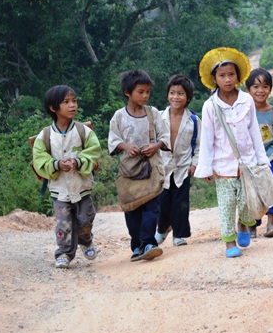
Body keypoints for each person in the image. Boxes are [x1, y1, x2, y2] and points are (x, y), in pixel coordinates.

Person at [193, 47, 269, 258]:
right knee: (226, 206)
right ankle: (229, 243)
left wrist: (261, 159)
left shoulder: (247, 101)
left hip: (248, 163)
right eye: (222, 75)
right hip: (222, 165)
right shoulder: (210, 106)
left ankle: (244, 224)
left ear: (238, 76)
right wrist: (206, 167)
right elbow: (207, 139)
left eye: (231, 74)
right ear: (214, 78)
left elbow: (254, 132)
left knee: (247, 202)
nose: (227, 79)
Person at [32, 85, 101, 269]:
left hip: (81, 186)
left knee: (85, 219)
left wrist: (78, 162)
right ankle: (64, 253)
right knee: (63, 225)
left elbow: (94, 150)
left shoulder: (83, 131)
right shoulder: (45, 135)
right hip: (59, 190)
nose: (72, 105)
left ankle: (86, 240)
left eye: (74, 101)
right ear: (53, 108)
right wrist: (56, 165)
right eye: (66, 102)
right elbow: (39, 159)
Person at [108, 69, 170, 261]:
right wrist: (125, 146)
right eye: (141, 91)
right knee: (132, 209)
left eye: (147, 92)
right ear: (127, 92)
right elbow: (113, 140)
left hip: (151, 170)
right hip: (129, 172)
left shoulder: (153, 114)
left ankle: (149, 243)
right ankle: (137, 246)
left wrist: (156, 146)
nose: (145, 96)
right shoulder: (119, 116)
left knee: (152, 207)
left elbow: (165, 136)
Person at [155, 74, 200, 247]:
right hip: (163, 167)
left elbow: (199, 144)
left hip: (183, 167)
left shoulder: (194, 120)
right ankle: (162, 229)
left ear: (188, 97)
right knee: (162, 202)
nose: (176, 97)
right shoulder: (159, 117)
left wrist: (194, 163)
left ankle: (178, 235)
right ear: (167, 94)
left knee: (181, 203)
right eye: (172, 93)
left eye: (180, 93)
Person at [245, 68, 273, 239]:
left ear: (270, 89)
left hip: (270, 160)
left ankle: (271, 224)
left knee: (271, 189)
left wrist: (267, 158)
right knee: (251, 192)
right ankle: (252, 227)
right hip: (249, 161)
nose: (260, 91)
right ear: (248, 89)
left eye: (265, 86)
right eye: (255, 86)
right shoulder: (244, 112)